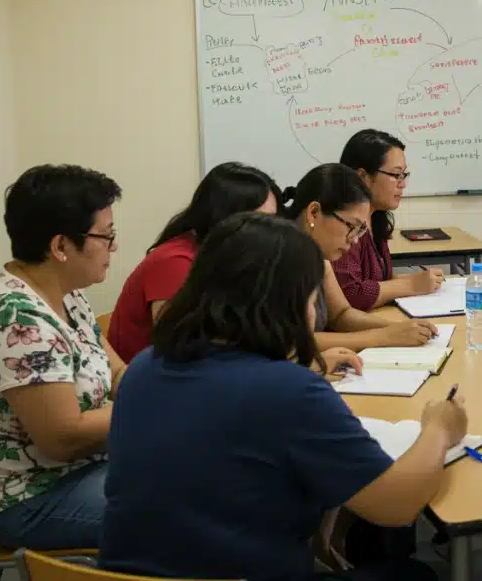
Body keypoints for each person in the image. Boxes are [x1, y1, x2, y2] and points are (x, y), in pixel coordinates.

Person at [99, 213, 461, 581]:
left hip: (127, 575)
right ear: (289, 301)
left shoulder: (144, 367)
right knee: (416, 576)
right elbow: (397, 505)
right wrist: (440, 428)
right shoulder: (289, 391)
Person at [0, 165, 126, 549]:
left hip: (83, 469)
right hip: (30, 498)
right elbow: (62, 437)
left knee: (197, 472)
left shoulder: (67, 294)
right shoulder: (15, 316)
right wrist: (151, 404)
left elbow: (116, 371)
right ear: (60, 247)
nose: (113, 247)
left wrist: (161, 390)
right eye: (107, 236)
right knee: (188, 506)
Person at [108, 162, 281, 363]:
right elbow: (181, 348)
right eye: (261, 221)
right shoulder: (175, 262)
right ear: (227, 218)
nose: (272, 233)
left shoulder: (228, 258)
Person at [285, 163, 437, 350]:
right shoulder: (278, 257)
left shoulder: (318, 256)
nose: (355, 241)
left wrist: (398, 328)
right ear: (314, 213)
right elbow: (290, 343)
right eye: (351, 226)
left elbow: (341, 314)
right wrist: (383, 337)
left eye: (360, 230)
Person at [332, 129, 443, 310]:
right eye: (395, 175)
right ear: (362, 177)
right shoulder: (342, 225)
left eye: (404, 175)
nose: (403, 183)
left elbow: (378, 280)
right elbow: (349, 294)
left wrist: (418, 281)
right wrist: (410, 285)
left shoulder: (376, 217)